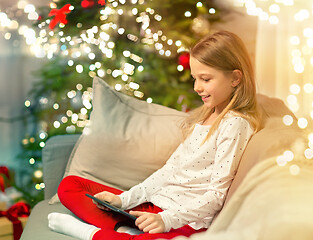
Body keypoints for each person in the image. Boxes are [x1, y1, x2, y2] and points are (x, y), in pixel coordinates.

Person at [48, 30, 262, 240]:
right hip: (155, 207)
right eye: (195, 78)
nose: (197, 87)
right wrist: (122, 200)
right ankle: (124, 230)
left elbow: (216, 196)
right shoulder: (204, 117)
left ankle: (91, 233)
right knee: (70, 185)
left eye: (205, 79)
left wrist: (167, 220)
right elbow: (168, 171)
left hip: (185, 220)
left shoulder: (235, 124)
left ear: (235, 78)